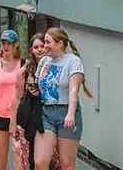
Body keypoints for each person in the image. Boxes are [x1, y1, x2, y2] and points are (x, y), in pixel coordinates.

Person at [34, 28, 92, 169]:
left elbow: (73, 90)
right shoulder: (45, 61)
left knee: (66, 163)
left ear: (59, 43)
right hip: (46, 113)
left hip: (65, 112)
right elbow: (38, 83)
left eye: (48, 42)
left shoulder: (73, 61)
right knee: (40, 161)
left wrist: (70, 113)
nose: (44, 46)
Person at [14, 34, 61, 169]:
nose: (40, 50)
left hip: (49, 117)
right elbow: (18, 98)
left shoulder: (55, 66)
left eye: (42, 46)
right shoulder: (25, 70)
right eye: (36, 47)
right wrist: (14, 124)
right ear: (31, 50)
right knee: (30, 158)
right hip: (29, 119)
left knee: (52, 158)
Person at [0, 30, 24, 169]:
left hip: (18, 114)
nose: (6, 47)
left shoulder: (23, 64)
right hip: (0, 112)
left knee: (18, 151)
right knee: (1, 153)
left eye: (9, 43)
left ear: (16, 45)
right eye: (3, 43)